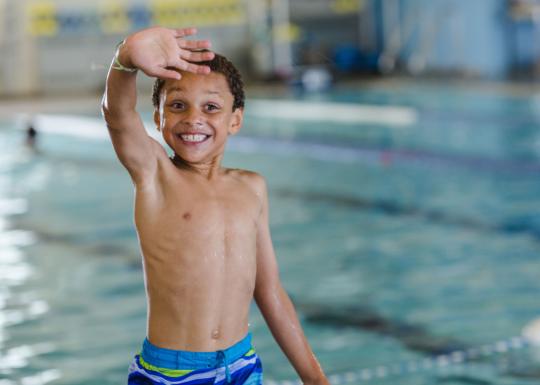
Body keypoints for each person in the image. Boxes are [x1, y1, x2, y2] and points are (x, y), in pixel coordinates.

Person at [101, 26, 330, 385]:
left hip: (241, 366)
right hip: (172, 373)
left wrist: (315, 378)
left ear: (234, 120)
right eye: (177, 106)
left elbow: (269, 290)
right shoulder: (156, 175)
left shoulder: (252, 188)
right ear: (158, 118)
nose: (193, 118)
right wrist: (125, 60)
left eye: (211, 107)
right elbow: (118, 115)